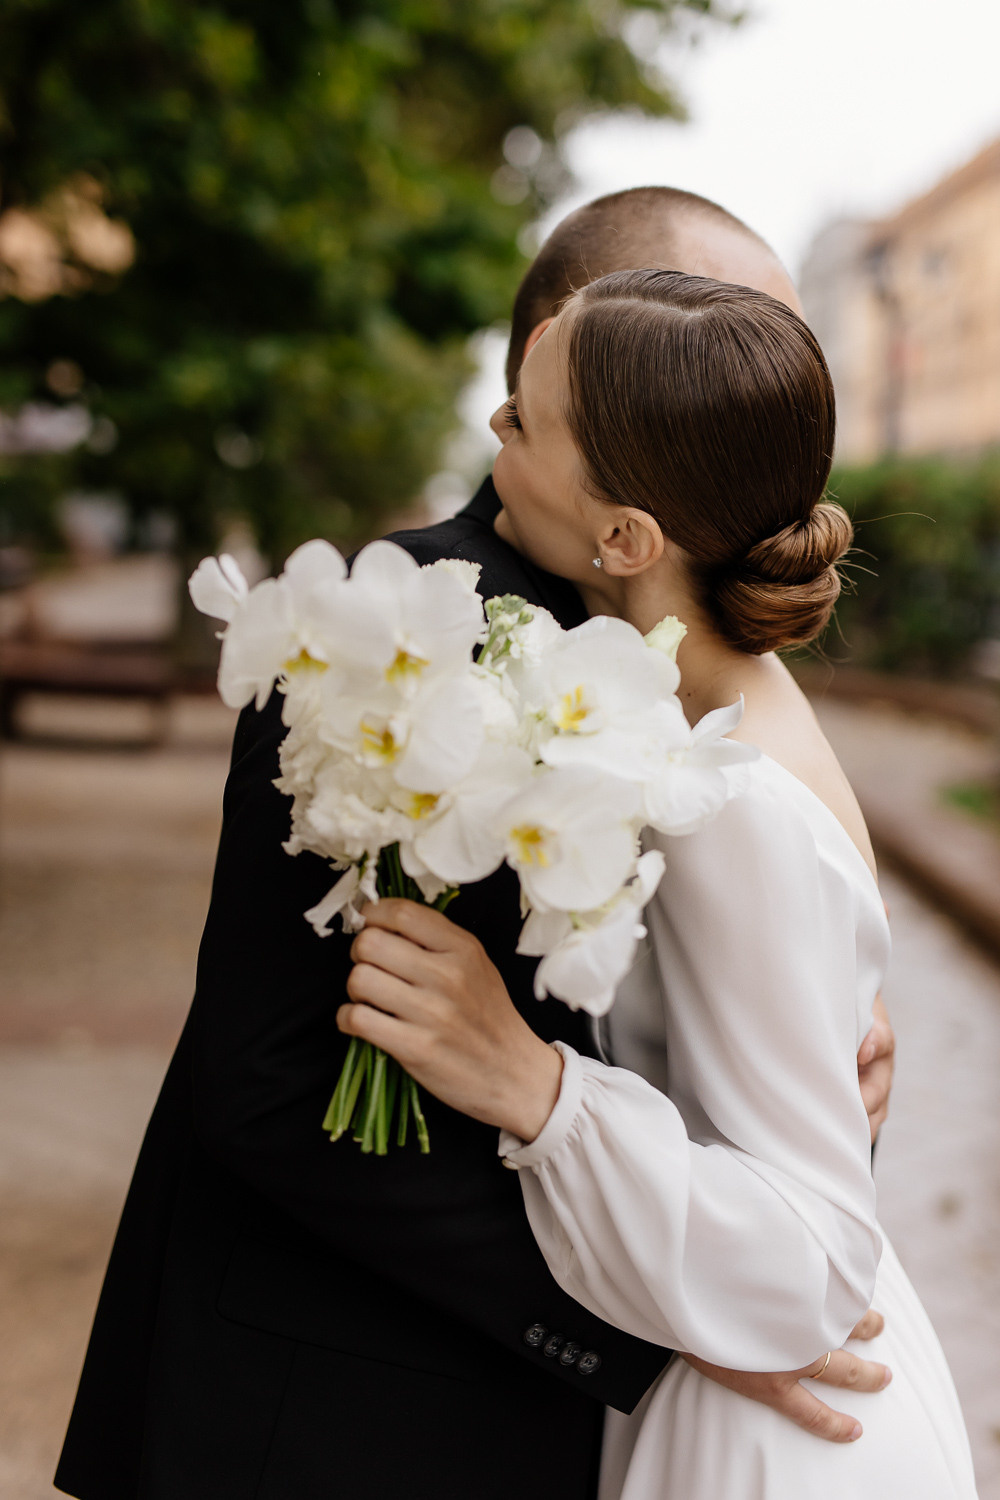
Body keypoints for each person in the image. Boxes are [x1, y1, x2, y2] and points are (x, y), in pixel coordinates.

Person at [55, 192, 895, 1500]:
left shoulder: (711, 676)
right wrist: (659, 1322)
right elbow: (269, 1081)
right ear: (575, 341)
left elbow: (766, 1092)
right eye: (712, 332)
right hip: (324, 1421)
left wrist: (803, 1087)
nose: (759, 389)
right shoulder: (375, 641)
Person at [334, 268, 978, 1497]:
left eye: (521, 420)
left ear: (624, 538)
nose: (493, 436)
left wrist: (532, 1083)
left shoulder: (727, 795)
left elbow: (810, 1261)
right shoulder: (710, 710)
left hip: (779, 1437)